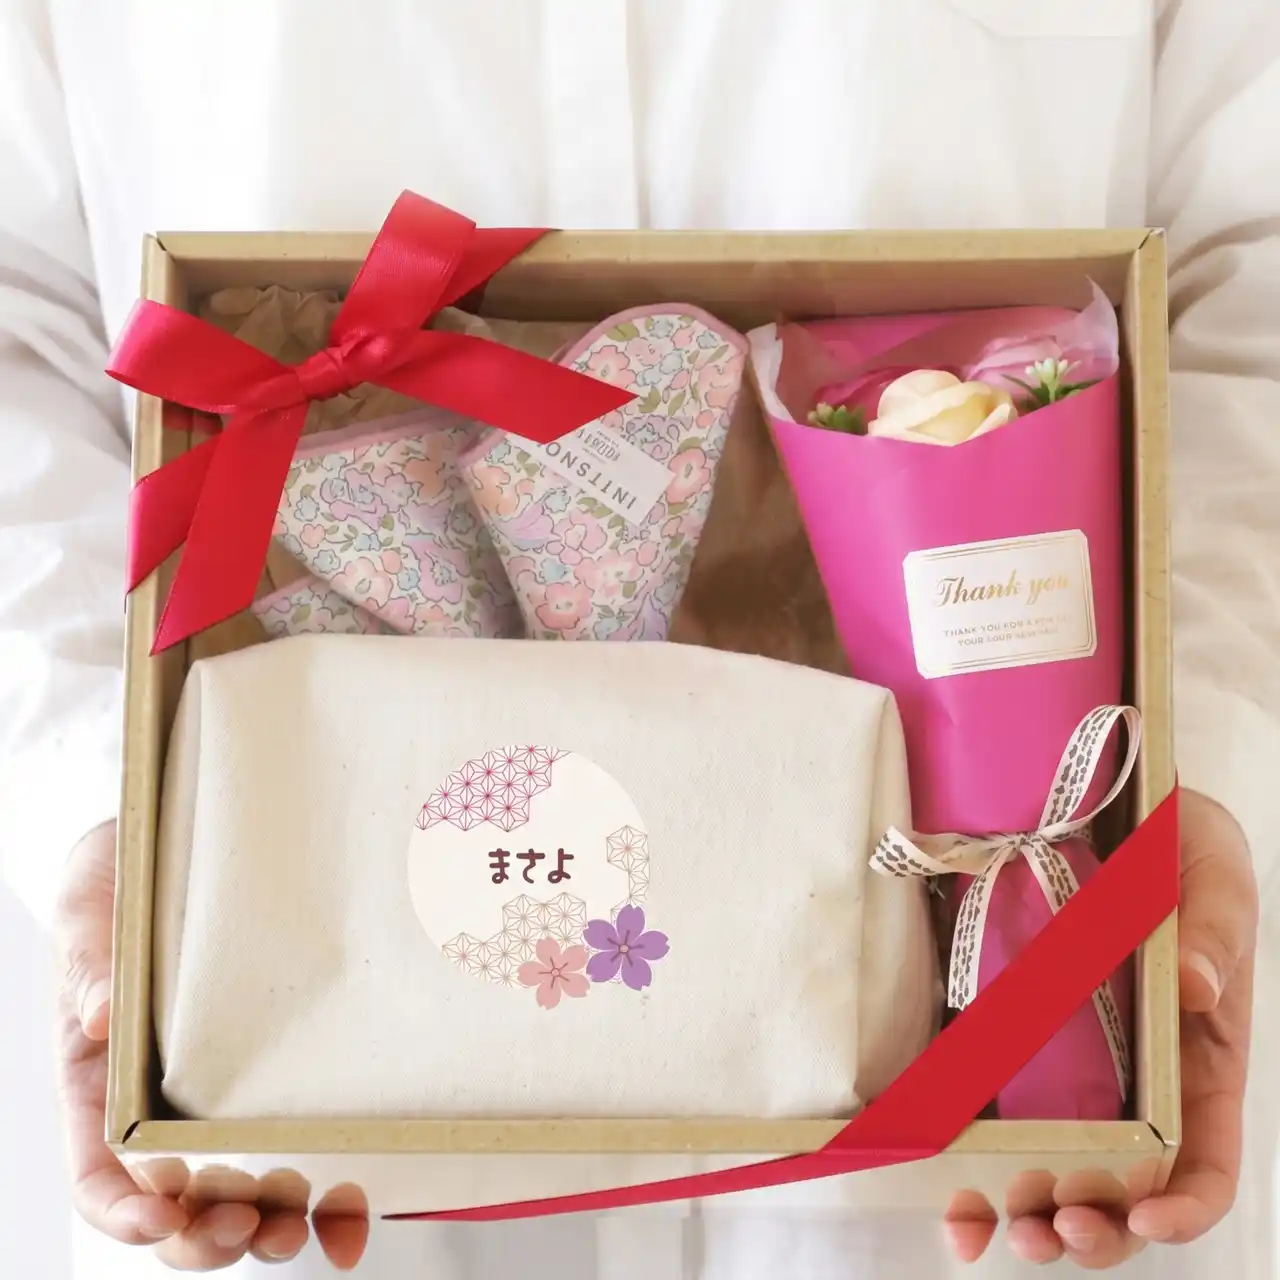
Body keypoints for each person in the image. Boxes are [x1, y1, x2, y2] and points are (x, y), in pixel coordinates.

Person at [2, 0, 1276, 1275]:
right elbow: (21, 333)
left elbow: (1250, 281)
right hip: (309, 1105)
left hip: (961, 1155)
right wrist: (109, 801)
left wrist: (1198, 761)